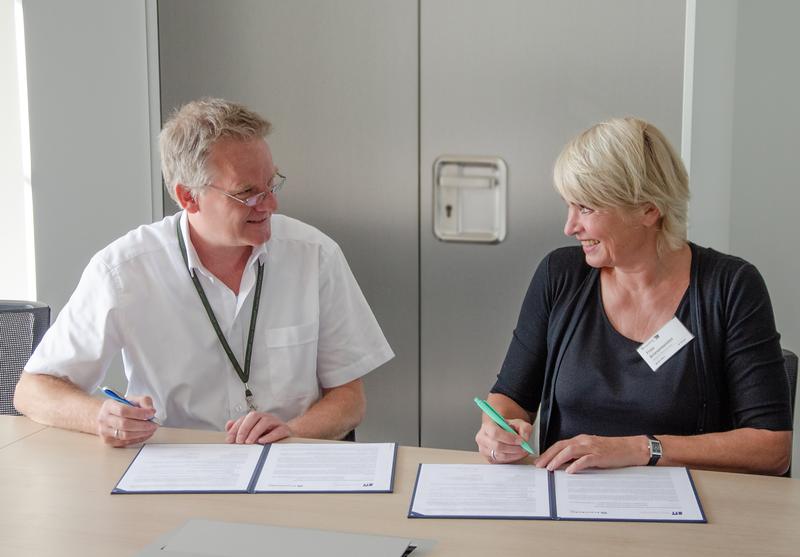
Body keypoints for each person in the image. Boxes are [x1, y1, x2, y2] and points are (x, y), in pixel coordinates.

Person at [14, 98, 394, 447]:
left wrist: (292, 431)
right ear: (187, 197)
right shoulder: (123, 270)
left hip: (289, 463)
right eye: (247, 193)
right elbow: (32, 390)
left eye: (272, 184)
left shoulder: (315, 255)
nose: (271, 204)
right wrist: (101, 416)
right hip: (177, 468)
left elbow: (349, 400)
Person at [475, 117, 792, 475]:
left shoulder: (730, 286)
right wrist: (498, 428)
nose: (570, 227)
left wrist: (639, 448)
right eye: (570, 205)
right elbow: (510, 398)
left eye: (587, 208)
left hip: (688, 512)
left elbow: (771, 448)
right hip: (568, 501)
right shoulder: (560, 275)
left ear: (648, 209)